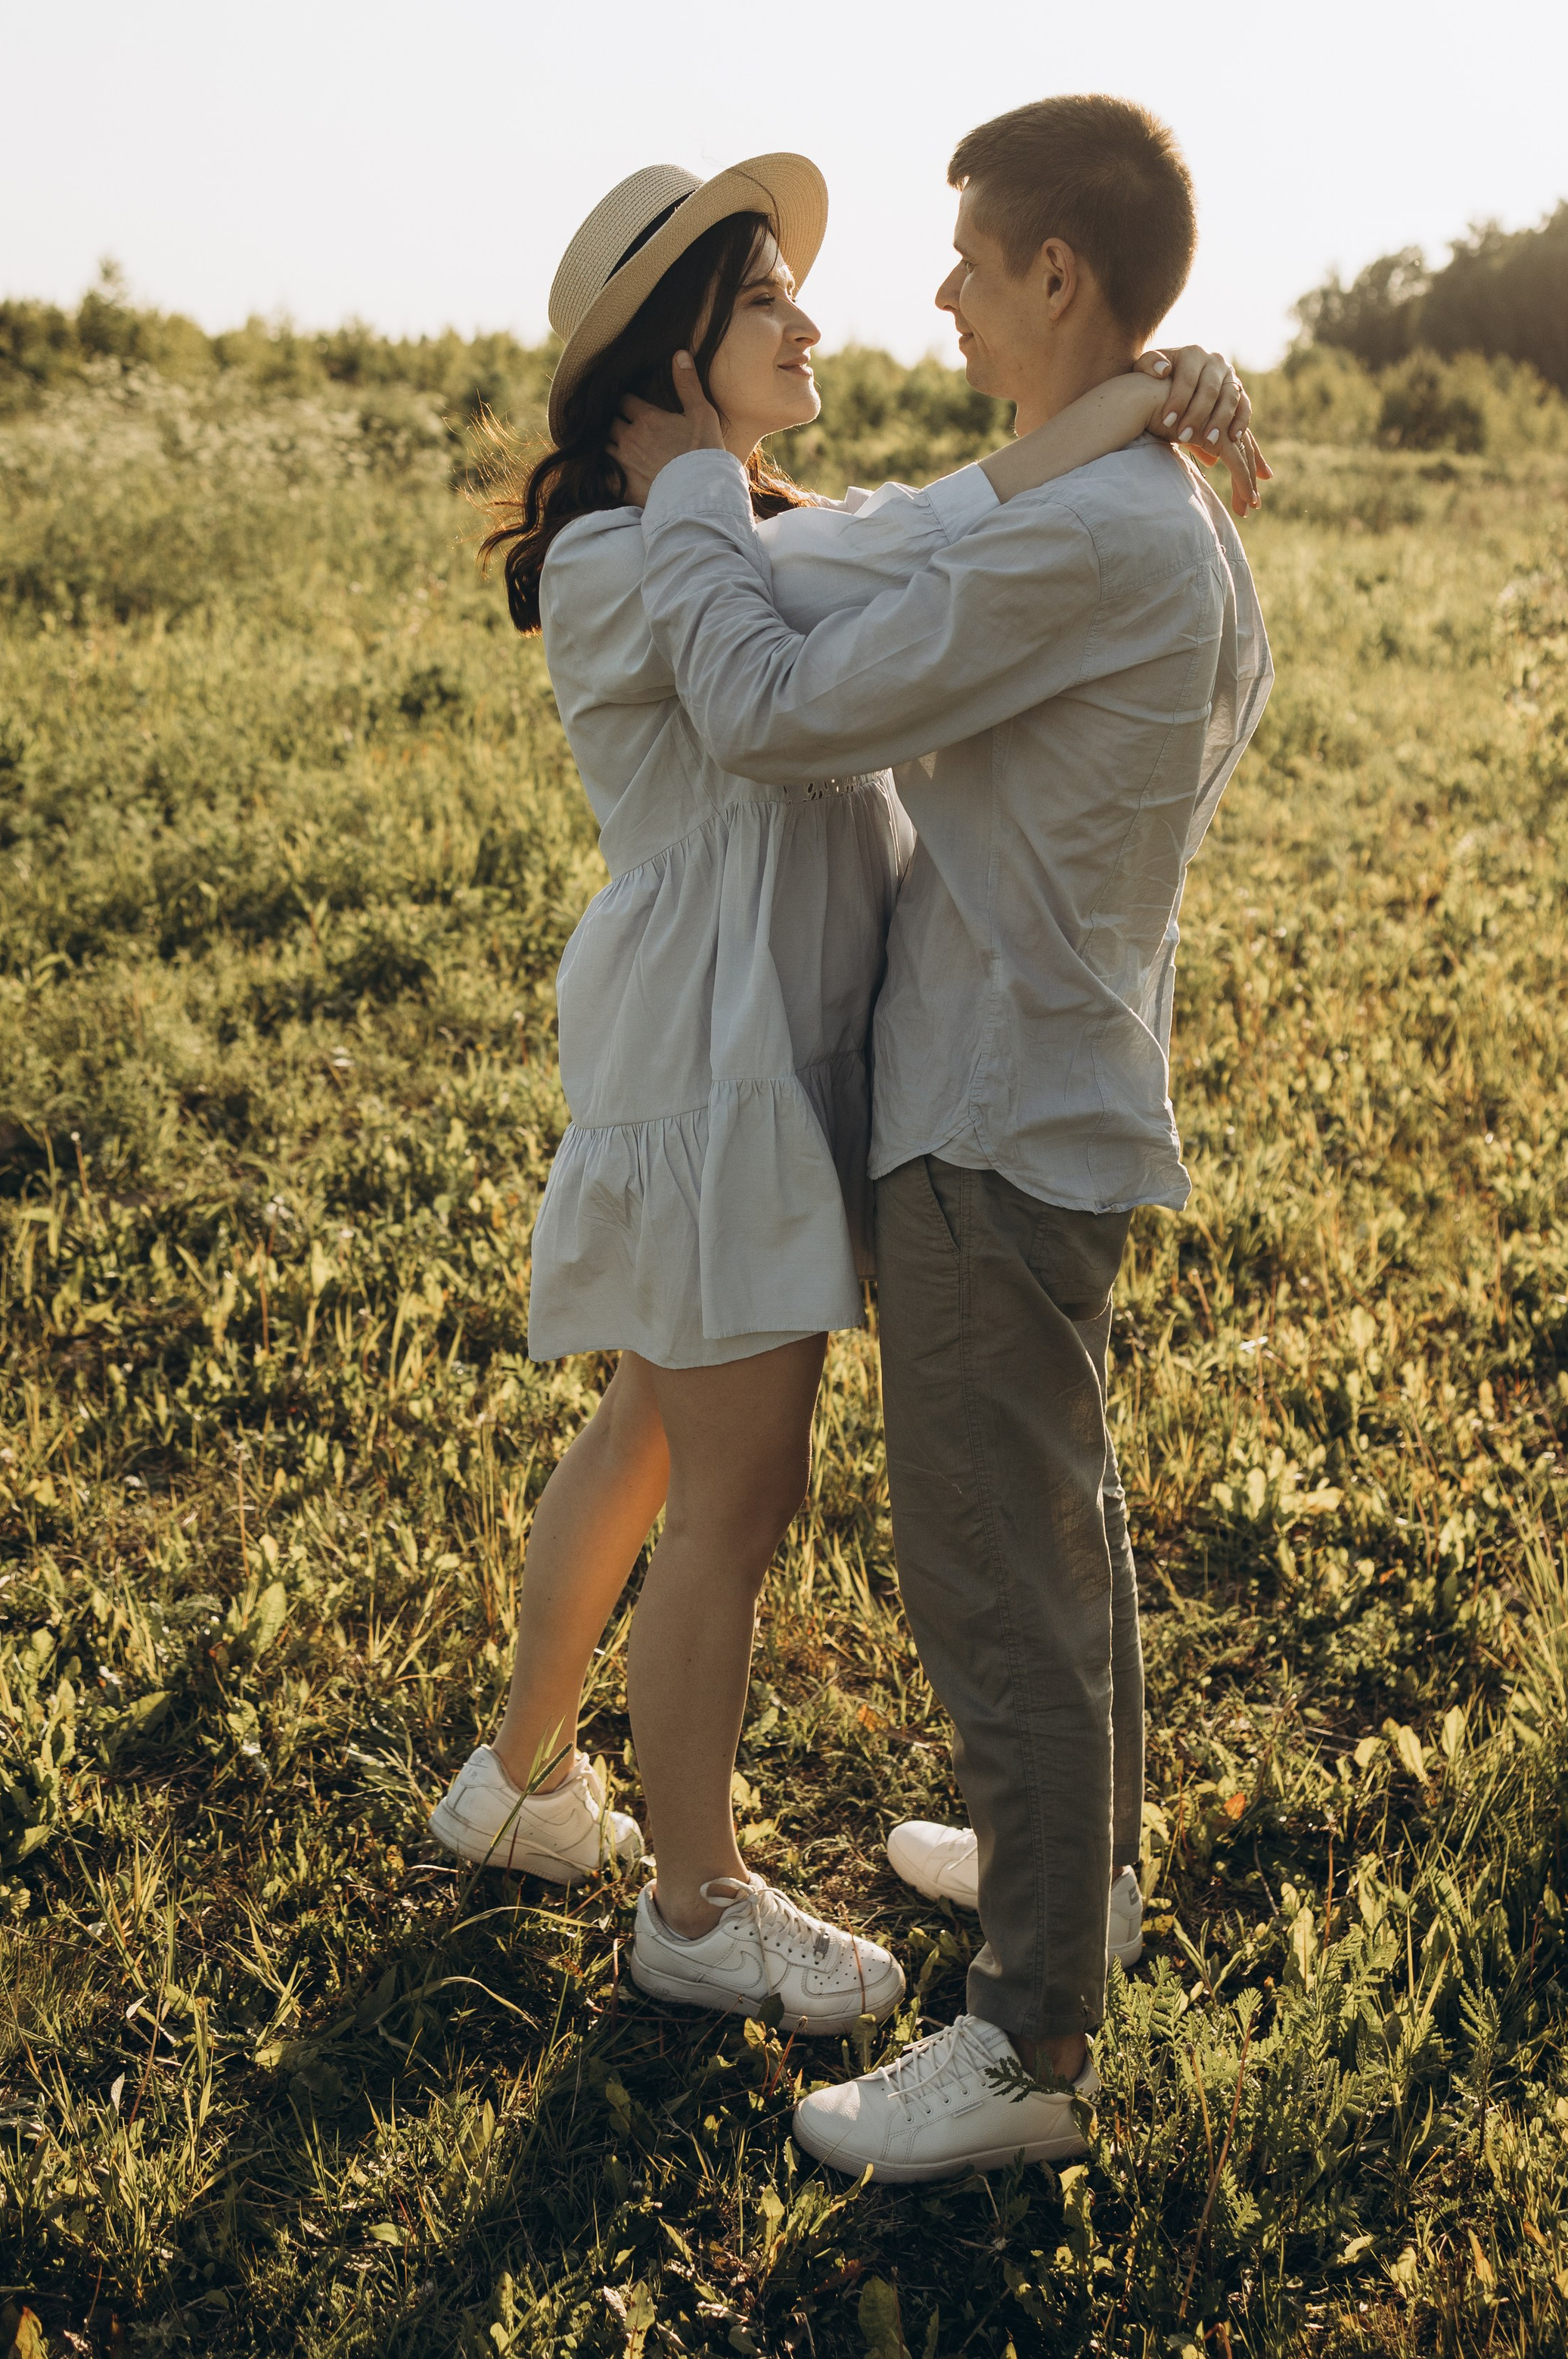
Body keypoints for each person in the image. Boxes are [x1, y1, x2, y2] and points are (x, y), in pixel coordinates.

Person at [427, 151, 1257, 2040]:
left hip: (742, 1044)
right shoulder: (635, 552)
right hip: (722, 1058)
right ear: (671, 361)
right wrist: (1111, 408)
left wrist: (1146, 390)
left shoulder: (723, 519)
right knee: (738, 1488)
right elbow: (856, 588)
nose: (816, 319)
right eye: (764, 304)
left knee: (646, 1423)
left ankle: (520, 1781)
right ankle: (694, 1908)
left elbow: (930, 526)